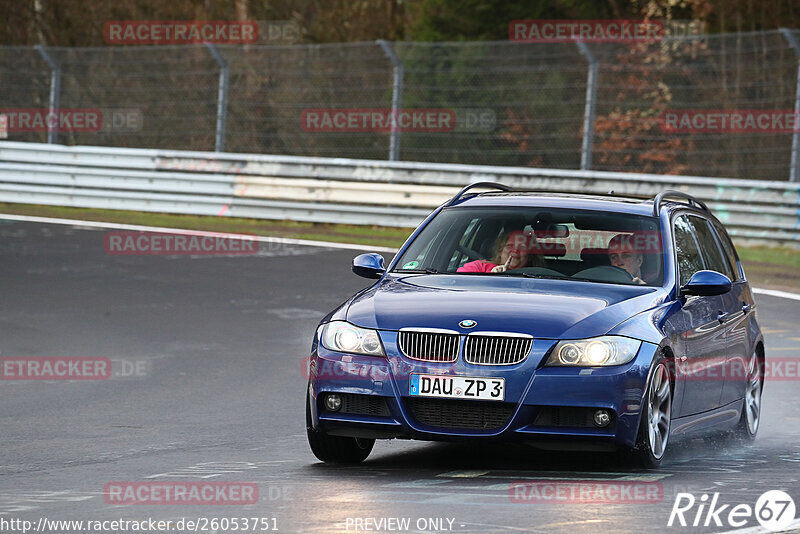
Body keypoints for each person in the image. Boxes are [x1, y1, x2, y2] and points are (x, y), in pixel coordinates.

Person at [457, 230, 545, 273]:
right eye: (510, 246)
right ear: (500, 250)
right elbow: (458, 284)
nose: (515, 250)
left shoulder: (539, 277)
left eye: (522, 247)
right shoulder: (479, 267)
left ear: (530, 255)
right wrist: (489, 278)